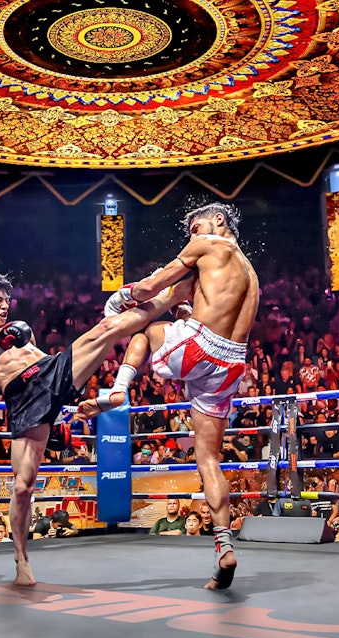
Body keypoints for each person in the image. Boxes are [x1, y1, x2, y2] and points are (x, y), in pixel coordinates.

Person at [0, 268, 181, 585]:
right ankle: (21, 560)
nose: (5, 306)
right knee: (22, 488)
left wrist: (58, 412)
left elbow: (41, 361)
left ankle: (178, 291)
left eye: (8, 300)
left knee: (107, 328)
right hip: (22, 399)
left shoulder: (20, 331)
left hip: (51, 372)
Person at [77, 203, 258, 589]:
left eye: (196, 226)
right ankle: (224, 546)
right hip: (233, 364)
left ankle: (117, 392)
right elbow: (213, 308)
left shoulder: (208, 246)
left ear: (219, 222)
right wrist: (186, 309)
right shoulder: (250, 272)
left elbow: (149, 287)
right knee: (208, 458)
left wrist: (122, 297)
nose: (192, 234)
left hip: (203, 346)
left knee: (144, 333)